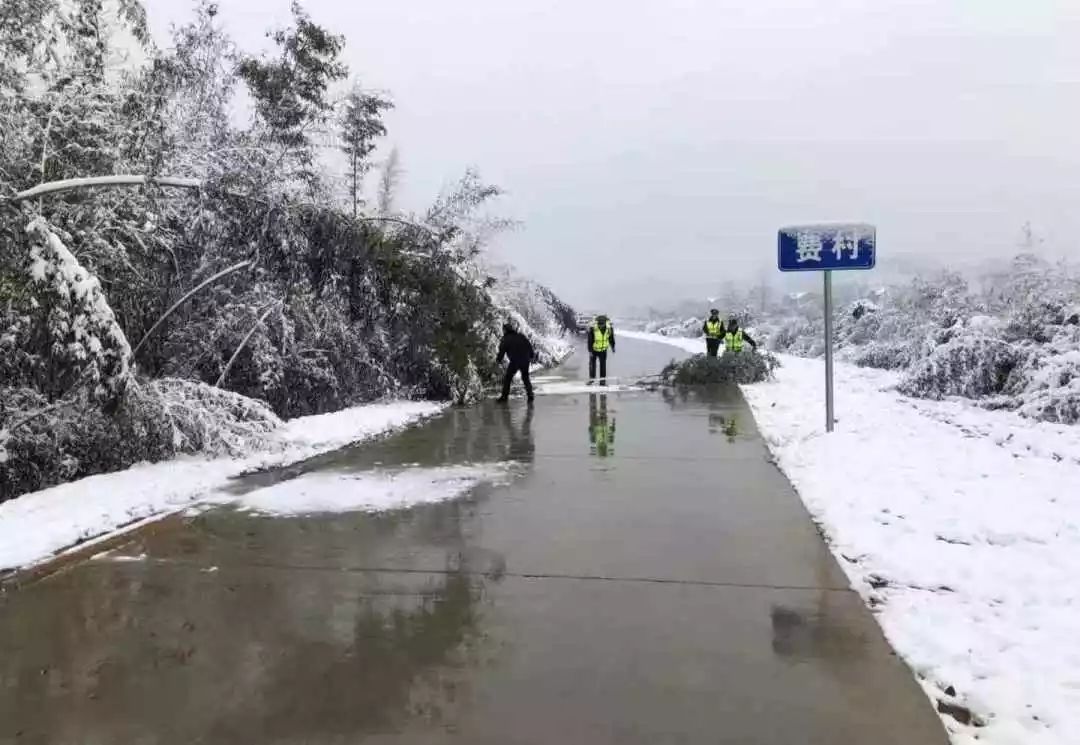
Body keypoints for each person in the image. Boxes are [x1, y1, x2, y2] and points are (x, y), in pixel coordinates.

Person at [496, 322, 536, 403]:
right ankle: (530, 394)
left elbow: (502, 351)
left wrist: (498, 360)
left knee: (508, 378)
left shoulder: (505, 339)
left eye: (503, 330)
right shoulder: (521, 336)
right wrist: (531, 356)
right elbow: (529, 346)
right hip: (525, 360)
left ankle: (504, 396)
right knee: (525, 377)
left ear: (505, 330)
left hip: (515, 361)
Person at [587, 314, 615, 385]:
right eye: (600, 322)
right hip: (596, 349)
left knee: (598, 365)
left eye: (602, 322)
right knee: (597, 365)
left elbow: (611, 337)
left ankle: (599, 380)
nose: (601, 324)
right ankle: (596, 380)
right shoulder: (594, 328)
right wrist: (590, 350)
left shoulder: (608, 328)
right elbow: (590, 339)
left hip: (600, 349)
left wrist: (613, 346)